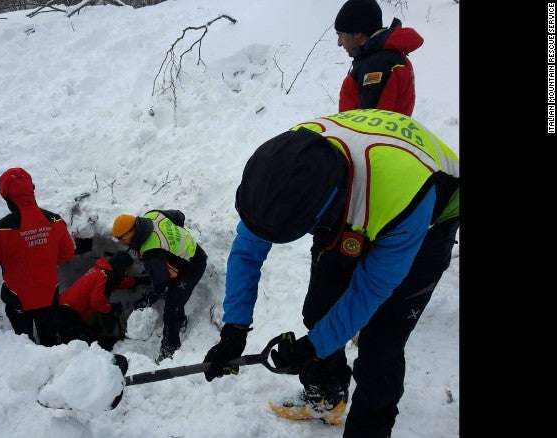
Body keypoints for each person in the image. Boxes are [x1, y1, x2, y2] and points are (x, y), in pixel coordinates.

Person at [203, 108, 459, 438]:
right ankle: (328, 395)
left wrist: (315, 347)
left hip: (427, 212)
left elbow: (371, 290)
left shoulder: (402, 199)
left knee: (381, 346)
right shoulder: (285, 165)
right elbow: (247, 250)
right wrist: (234, 329)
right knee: (319, 309)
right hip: (363, 186)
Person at [0, 167, 87, 346]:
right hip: (49, 294)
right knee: (51, 341)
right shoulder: (55, 220)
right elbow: (67, 254)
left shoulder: (2, 229)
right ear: (32, 190)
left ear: (6, 197)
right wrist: (45, 259)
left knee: (24, 344)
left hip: (18, 299)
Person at [112, 210, 207, 362]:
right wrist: (176, 241)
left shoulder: (150, 251)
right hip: (192, 250)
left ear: (131, 232)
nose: (120, 242)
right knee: (174, 292)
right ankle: (181, 321)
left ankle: (169, 349)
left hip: (192, 267)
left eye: (121, 238)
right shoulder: (152, 215)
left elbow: (161, 283)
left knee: (171, 308)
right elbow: (179, 216)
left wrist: (148, 300)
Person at [335, 0, 423, 116]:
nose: (339, 43)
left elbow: (368, 123)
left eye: (340, 34)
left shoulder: (377, 67)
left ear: (357, 33)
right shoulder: (381, 59)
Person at [59, 251, 147, 350]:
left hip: (67, 306)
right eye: (127, 269)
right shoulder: (104, 275)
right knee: (86, 346)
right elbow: (96, 302)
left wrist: (137, 281)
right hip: (69, 313)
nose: (127, 273)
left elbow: (117, 283)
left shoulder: (103, 271)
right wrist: (110, 308)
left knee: (90, 340)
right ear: (121, 267)